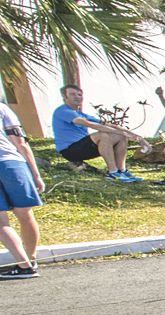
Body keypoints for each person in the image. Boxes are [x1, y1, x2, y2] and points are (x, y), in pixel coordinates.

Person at [52, 85, 148, 181]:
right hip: (69, 150)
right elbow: (89, 124)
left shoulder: (81, 114)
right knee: (102, 135)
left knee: (120, 136)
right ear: (65, 97)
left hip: (83, 148)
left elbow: (109, 125)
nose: (77, 96)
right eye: (72, 94)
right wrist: (122, 133)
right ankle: (113, 172)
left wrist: (138, 137)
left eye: (79, 94)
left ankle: (121, 171)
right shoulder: (63, 111)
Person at [0, 102, 44, 279]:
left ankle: (23, 264)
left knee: (1, 221)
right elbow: (20, 141)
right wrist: (35, 173)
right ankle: (31, 260)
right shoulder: (2, 108)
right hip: (12, 162)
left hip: (10, 161)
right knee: (25, 214)